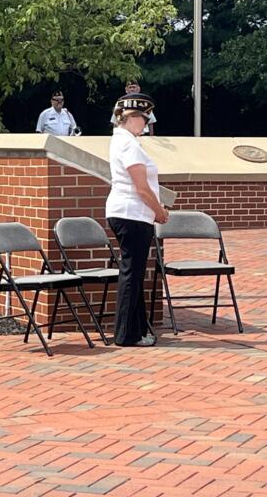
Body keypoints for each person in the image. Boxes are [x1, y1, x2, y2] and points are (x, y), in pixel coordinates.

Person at [105, 92, 169, 347]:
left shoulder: (122, 141)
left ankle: (138, 329)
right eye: (144, 118)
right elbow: (141, 188)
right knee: (132, 274)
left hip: (129, 212)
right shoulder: (128, 144)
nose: (146, 123)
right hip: (132, 214)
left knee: (134, 272)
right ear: (131, 118)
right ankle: (127, 334)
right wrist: (159, 212)